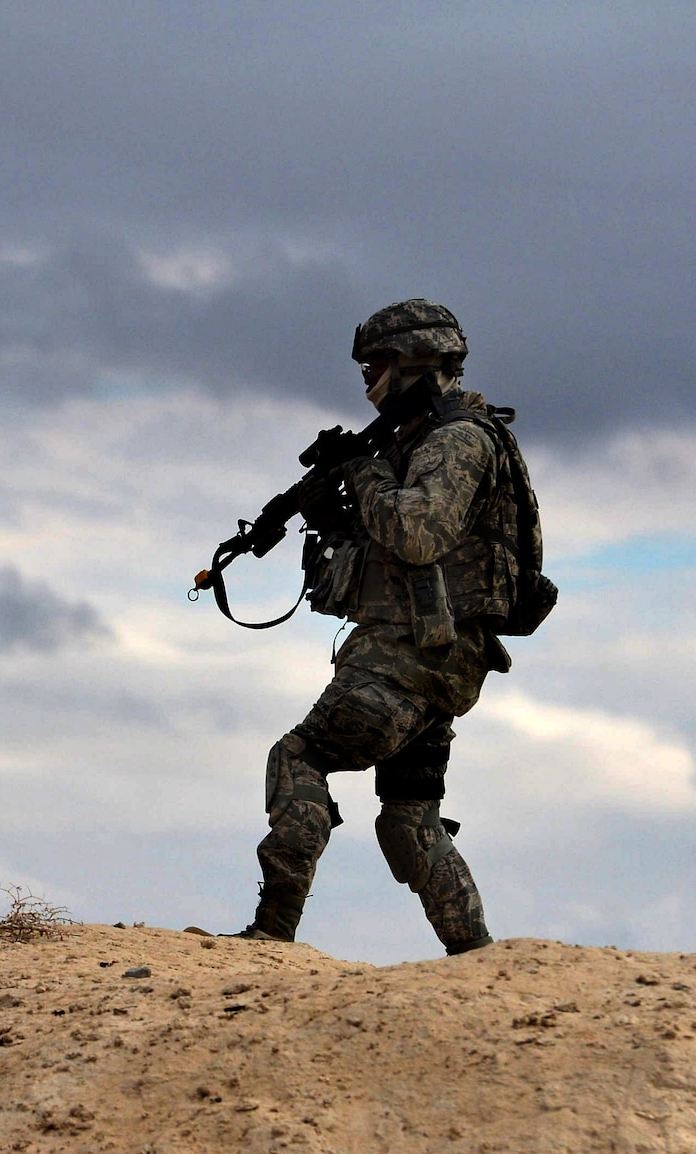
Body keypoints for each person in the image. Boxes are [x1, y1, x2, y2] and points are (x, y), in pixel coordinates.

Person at [229, 299, 543, 953]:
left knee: (299, 757)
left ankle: (271, 934)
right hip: (440, 662)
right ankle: (478, 960)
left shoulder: (457, 439)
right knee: (408, 818)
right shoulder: (426, 441)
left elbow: (418, 532)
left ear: (417, 361)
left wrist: (364, 472)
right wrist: (336, 517)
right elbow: (397, 551)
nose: (368, 378)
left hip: (409, 655)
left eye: (377, 364)